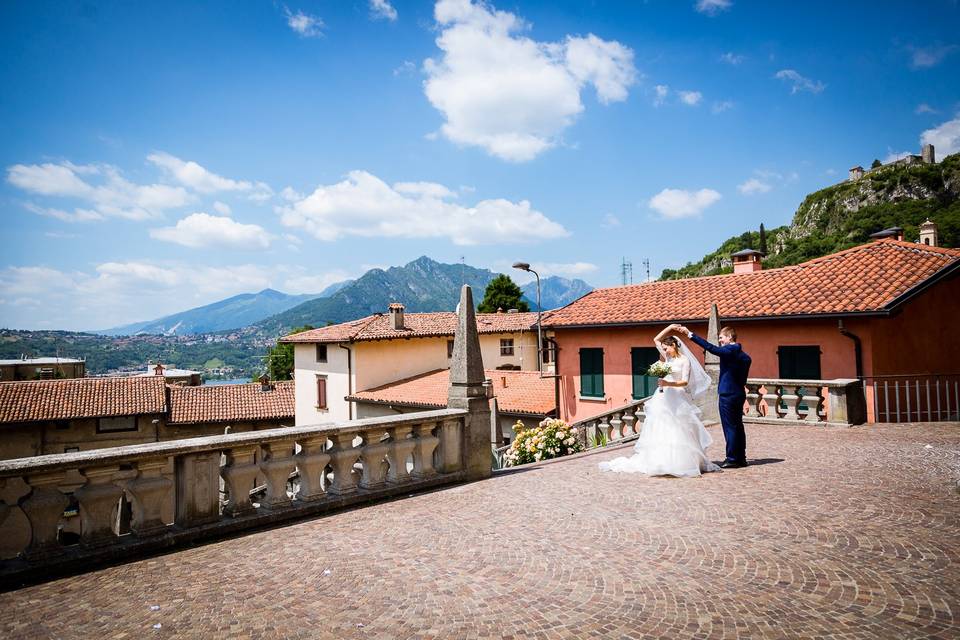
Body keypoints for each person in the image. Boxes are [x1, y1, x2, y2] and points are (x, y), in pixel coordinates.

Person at [598, 325, 720, 477]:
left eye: (666, 348)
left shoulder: (684, 361)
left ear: (673, 345)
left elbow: (684, 382)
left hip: (677, 396)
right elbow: (655, 339)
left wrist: (668, 383)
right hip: (663, 397)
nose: (664, 350)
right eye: (663, 348)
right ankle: (660, 461)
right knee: (661, 426)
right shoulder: (667, 357)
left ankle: (683, 462)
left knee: (679, 427)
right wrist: (670, 327)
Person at [677, 323, 751, 469]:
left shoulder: (729, 351)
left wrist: (689, 334)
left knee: (729, 427)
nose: (720, 341)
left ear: (730, 337)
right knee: (738, 426)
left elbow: (711, 348)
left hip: (727, 394)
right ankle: (741, 457)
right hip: (739, 393)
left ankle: (732, 459)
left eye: (722, 338)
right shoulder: (745, 357)